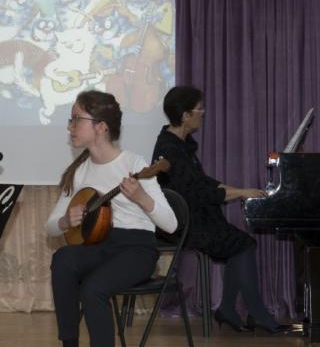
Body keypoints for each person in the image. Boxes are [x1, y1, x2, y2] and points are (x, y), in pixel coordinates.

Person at [152, 85, 290, 334]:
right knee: (243, 245)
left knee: (241, 244)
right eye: (199, 109)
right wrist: (240, 193)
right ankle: (252, 311)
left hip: (197, 217)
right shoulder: (169, 149)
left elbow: (203, 183)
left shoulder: (180, 144)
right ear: (185, 115)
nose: (203, 113)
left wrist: (239, 190)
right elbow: (197, 193)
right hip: (183, 223)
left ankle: (228, 309)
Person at [46, 90, 178, 347]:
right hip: (98, 246)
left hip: (137, 249)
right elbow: (51, 227)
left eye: (77, 119)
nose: (70, 127)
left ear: (101, 127)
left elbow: (171, 225)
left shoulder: (134, 164)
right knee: (62, 258)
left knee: (92, 289)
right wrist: (66, 221)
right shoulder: (79, 171)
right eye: (71, 120)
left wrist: (141, 197)